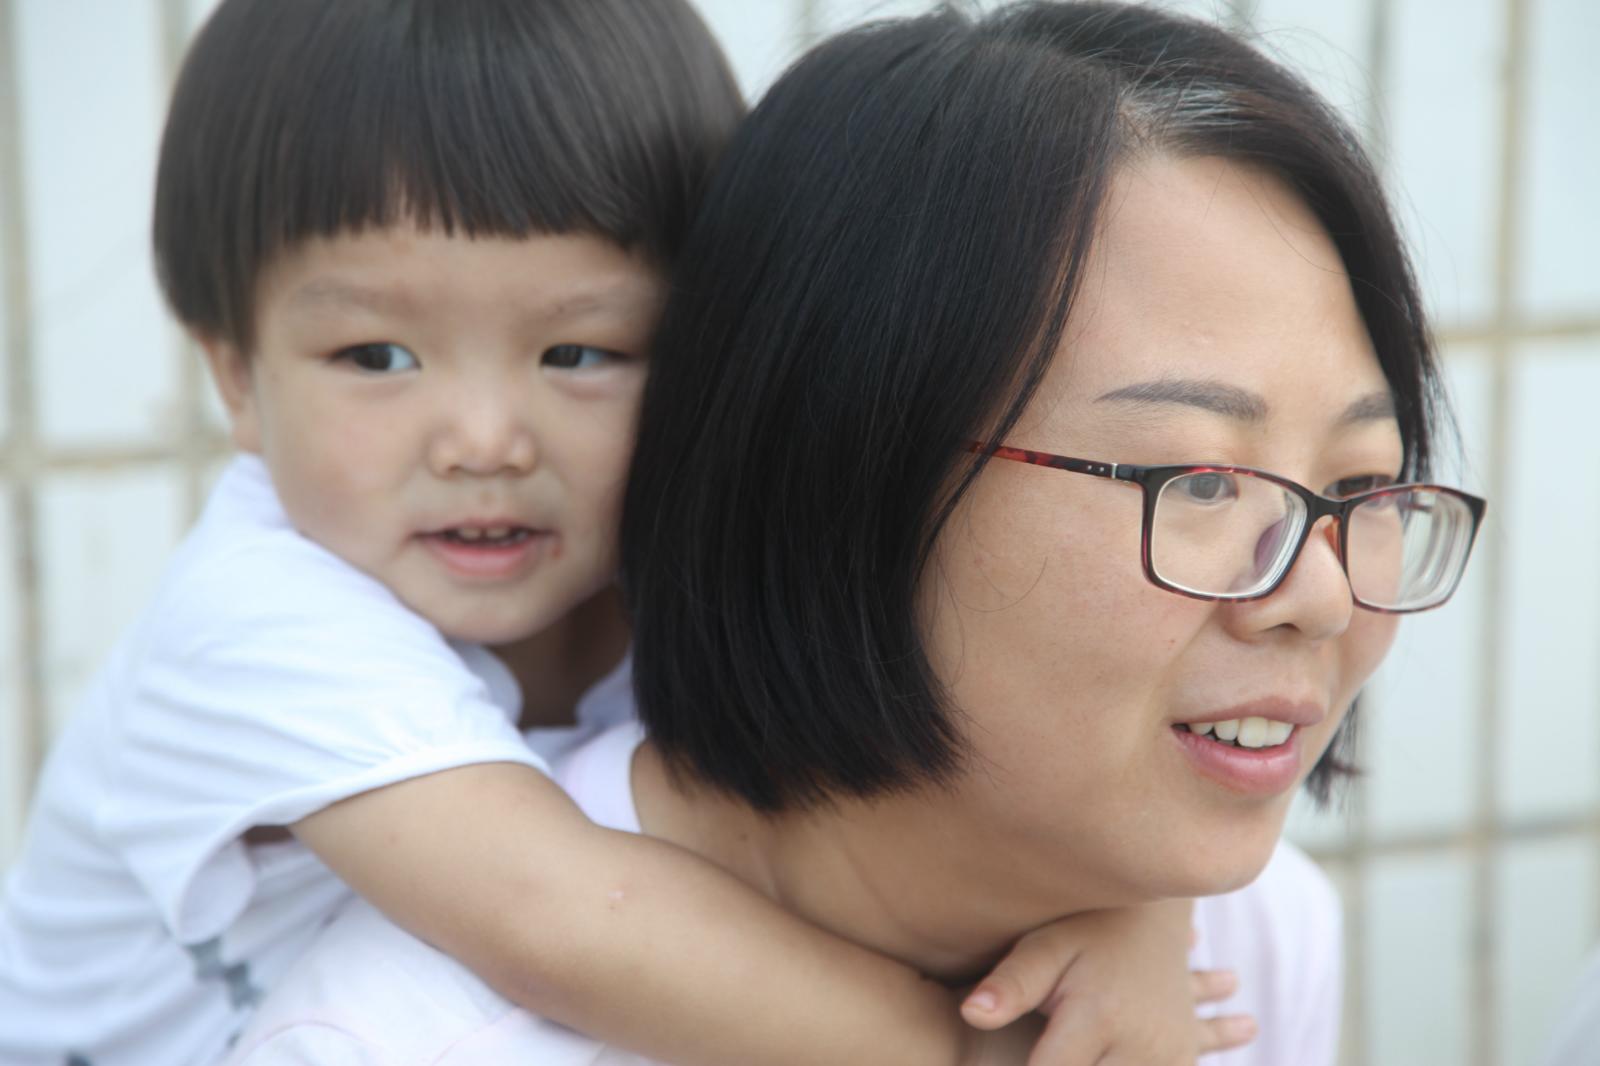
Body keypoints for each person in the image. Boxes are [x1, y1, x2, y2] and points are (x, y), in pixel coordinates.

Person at [216, 2, 1487, 1064]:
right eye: (1201, 481)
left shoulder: (1242, 946)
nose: (1320, 596)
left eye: (1362, 482)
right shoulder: (393, 1038)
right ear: (839, 465)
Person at [0, 2, 1248, 1065]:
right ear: (234, 375)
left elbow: (962, 752)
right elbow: (560, 919)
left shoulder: (664, 552)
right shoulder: (252, 618)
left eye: (577, 351)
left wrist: (1130, 911)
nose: (484, 440)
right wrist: (967, 1047)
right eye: (376, 355)